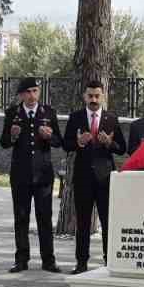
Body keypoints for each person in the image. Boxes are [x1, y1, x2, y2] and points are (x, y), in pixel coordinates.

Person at [61, 80, 125, 273]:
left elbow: (122, 148)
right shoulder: (76, 118)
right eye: (90, 96)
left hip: (105, 179)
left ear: (103, 97)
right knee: (82, 223)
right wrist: (78, 142)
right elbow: (66, 144)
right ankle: (81, 263)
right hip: (83, 179)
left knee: (107, 222)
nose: (94, 100)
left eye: (97, 96)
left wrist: (109, 143)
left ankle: (108, 262)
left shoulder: (111, 119)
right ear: (84, 96)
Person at [0, 77, 61, 273]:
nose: (32, 95)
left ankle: (48, 260)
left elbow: (59, 141)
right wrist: (13, 135)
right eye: (28, 92)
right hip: (20, 174)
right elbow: (4, 142)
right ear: (21, 95)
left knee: (44, 217)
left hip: (43, 174)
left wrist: (49, 136)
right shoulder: (13, 113)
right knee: (21, 217)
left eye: (35, 91)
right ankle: (21, 259)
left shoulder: (48, 112)